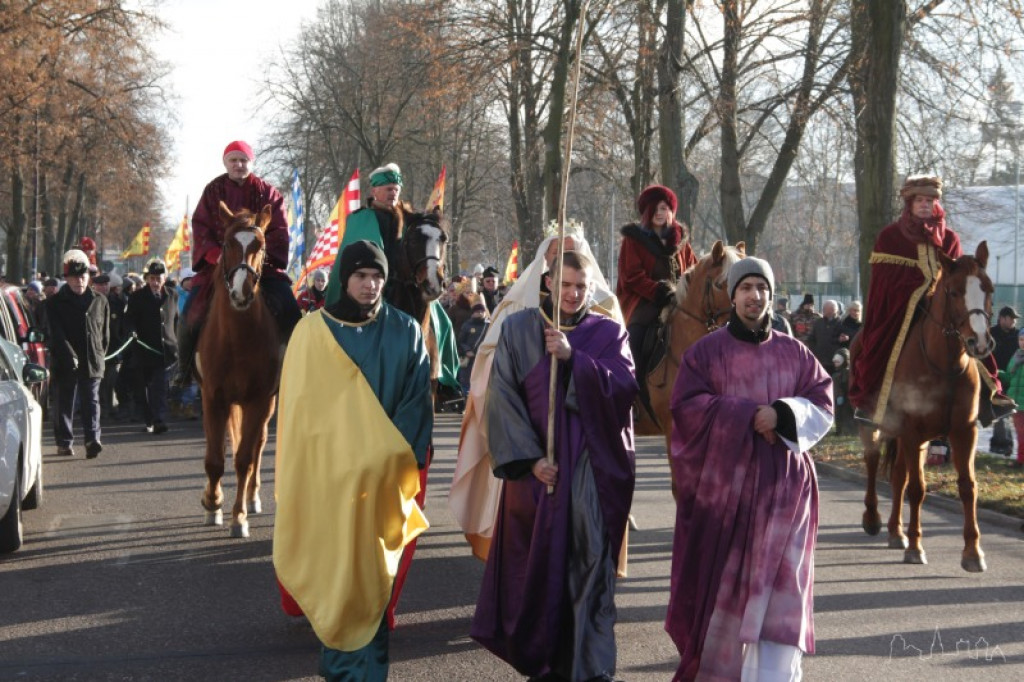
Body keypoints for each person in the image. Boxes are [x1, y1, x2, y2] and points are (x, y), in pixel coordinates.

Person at [471, 250, 637, 682]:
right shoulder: (519, 328)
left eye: (581, 287)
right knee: (537, 569)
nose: (573, 294)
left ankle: (589, 667)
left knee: (588, 567)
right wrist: (530, 458)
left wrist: (574, 359)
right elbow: (502, 396)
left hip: (588, 473)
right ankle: (542, 661)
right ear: (547, 282)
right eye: (564, 285)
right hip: (537, 475)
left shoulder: (608, 332)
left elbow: (623, 389)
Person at [666, 257, 833, 681]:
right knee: (725, 601)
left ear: (772, 296)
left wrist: (783, 413)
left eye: (762, 288)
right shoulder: (705, 353)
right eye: (746, 288)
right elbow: (684, 409)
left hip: (785, 501)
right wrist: (743, 415)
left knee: (780, 603)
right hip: (728, 503)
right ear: (733, 295)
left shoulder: (794, 352)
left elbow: (823, 404)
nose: (755, 296)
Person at [273, 240, 432, 681]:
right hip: (328, 482)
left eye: (377, 276)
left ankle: (370, 672)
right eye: (361, 276)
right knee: (335, 576)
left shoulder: (405, 330)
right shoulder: (309, 332)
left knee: (374, 577)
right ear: (345, 277)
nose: (370, 284)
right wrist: (338, 461)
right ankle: (339, 668)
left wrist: (383, 457)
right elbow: (300, 417)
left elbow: (417, 402)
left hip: (383, 478)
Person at [449, 225, 622, 561]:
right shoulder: (514, 310)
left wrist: (577, 361)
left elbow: (620, 379)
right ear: (545, 266)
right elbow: (492, 372)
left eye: (571, 254)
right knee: (525, 542)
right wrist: (525, 451)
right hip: (522, 441)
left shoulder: (606, 309)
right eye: (556, 255)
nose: (571, 289)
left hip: (583, 447)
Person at [849, 174, 1014, 426]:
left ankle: (990, 398)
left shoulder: (949, 238)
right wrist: (921, 288)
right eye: (920, 200)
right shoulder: (890, 237)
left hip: (947, 306)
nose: (926, 205)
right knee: (881, 343)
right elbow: (885, 283)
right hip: (903, 306)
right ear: (910, 204)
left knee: (974, 332)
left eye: (930, 200)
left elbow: (962, 280)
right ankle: (874, 404)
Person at [323, 162, 462, 399]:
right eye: (387, 188)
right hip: (373, 284)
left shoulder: (410, 219)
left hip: (410, 285)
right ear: (374, 191)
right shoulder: (362, 219)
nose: (393, 192)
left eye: (396, 188)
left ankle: (443, 377)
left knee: (441, 322)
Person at [175, 140, 301, 387]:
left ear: (250, 164)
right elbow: (201, 227)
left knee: (292, 312)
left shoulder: (270, 194)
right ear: (226, 163)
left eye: (243, 160)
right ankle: (184, 370)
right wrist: (215, 255)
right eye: (233, 160)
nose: (238, 165)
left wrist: (257, 260)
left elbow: (279, 231)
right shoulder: (212, 191)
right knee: (189, 315)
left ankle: (296, 367)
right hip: (219, 267)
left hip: (261, 267)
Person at [617, 184, 698, 412]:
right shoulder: (633, 239)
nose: (660, 213)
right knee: (635, 338)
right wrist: (659, 291)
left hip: (680, 302)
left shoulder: (682, 241)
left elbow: (694, 270)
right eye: (655, 209)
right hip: (645, 302)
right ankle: (630, 395)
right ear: (646, 213)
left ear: (672, 210)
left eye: (664, 208)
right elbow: (631, 276)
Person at [45, 250, 110, 458]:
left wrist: (99, 355)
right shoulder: (54, 304)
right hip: (65, 360)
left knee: (91, 401)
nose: (79, 282)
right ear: (66, 279)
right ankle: (65, 442)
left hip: (91, 359)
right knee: (65, 402)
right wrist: (69, 355)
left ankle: (93, 439)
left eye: (82, 277)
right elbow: (55, 335)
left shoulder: (100, 300)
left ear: (88, 277)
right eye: (74, 278)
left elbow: (104, 334)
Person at [124, 258, 178, 435]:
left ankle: (159, 419)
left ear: (165, 278)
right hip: (144, 350)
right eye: (152, 278)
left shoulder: (173, 295)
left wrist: (178, 342)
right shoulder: (136, 297)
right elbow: (129, 320)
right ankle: (149, 418)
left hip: (165, 351)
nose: (155, 282)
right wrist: (132, 332)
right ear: (147, 279)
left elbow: (176, 321)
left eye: (159, 278)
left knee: (160, 385)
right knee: (143, 389)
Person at [990, 306, 1019, 455]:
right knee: (999, 414)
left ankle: (1004, 445)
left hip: (1011, 379)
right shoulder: (991, 334)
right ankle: (1001, 444)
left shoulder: (1017, 336)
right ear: (1001, 318)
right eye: (1011, 318)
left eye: (1014, 319)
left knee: (1003, 414)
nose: (1014, 321)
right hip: (992, 379)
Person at [998, 329, 1024, 468]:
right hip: (1016, 403)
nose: (1023, 343)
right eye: (1021, 339)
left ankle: (1021, 460)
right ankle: (1021, 460)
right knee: (1020, 433)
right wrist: (997, 373)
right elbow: (1010, 377)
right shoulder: (1016, 357)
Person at [456, 302, 489, 393]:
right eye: (477, 311)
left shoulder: (489, 325)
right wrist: (467, 350)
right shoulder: (467, 325)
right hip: (470, 358)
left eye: (482, 311)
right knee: (467, 381)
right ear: (473, 313)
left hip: (484, 357)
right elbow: (460, 341)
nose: (480, 313)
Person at [805, 299, 841, 368]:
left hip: (835, 361)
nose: (827, 312)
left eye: (831, 310)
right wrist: (815, 352)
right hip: (820, 360)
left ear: (835, 310)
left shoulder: (841, 323)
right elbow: (811, 339)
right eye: (825, 310)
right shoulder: (818, 323)